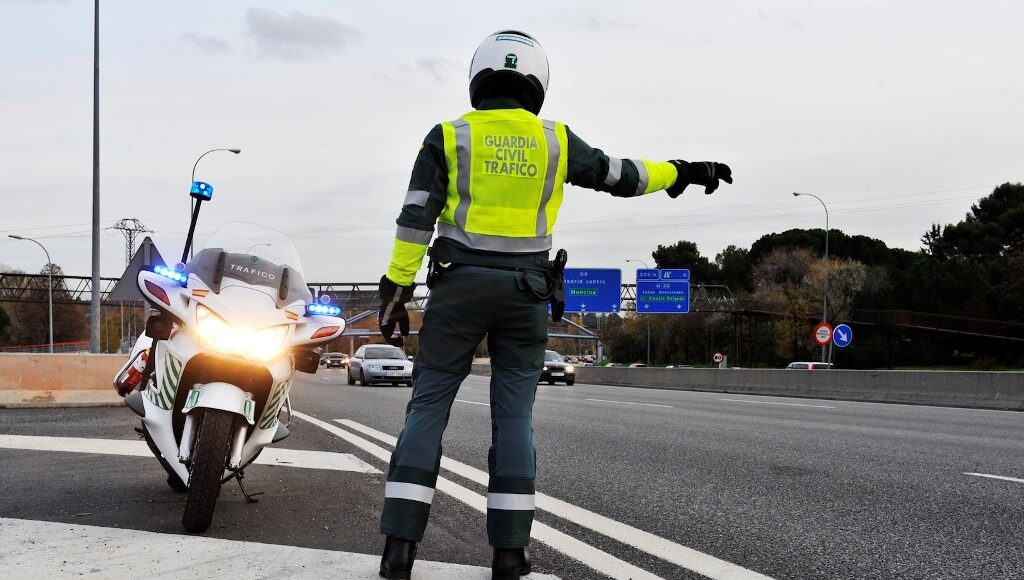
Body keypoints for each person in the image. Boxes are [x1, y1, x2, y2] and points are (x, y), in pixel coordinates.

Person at [374, 30, 733, 580]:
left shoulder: (448, 136)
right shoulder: (555, 140)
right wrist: (683, 171)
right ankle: (510, 554)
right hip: (526, 294)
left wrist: (397, 291)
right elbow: (622, 174)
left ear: (478, 78)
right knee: (513, 417)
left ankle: (399, 548)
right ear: (537, 82)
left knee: (427, 408)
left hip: (457, 290)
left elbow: (416, 216)